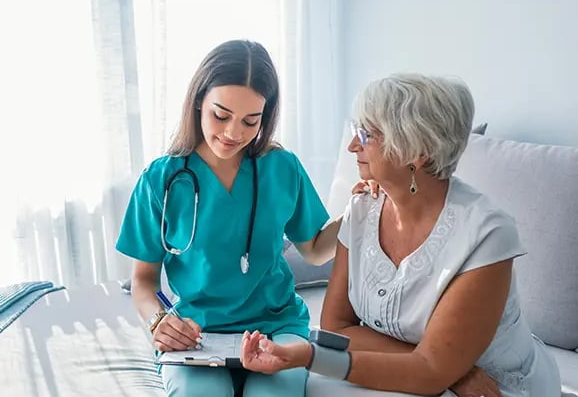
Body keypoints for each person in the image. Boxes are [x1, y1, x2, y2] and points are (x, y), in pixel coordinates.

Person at [240, 73, 562, 397]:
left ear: (415, 151)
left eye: (366, 134)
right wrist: (451, 370)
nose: (353, 145)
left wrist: (313, 357)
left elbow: (428, 371)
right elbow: (337, 327)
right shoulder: (363, 209)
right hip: (448, 376)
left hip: (492, 387)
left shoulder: (486, 236)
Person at [115, 39, 341, 397]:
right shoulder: (161, 180)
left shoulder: (281, 168)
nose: (234, 133)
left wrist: (359, 212)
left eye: (251, 121)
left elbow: (314, 250)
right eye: (221, 116)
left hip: (276, 325)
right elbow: (144, 281)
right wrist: (160, 321)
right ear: (198, 102)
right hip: (197, 330)